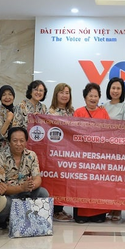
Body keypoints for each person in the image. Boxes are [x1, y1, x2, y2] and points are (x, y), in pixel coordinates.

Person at [0, 127, 49, 228]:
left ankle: (33, 220)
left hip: (26, 192)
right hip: (9, 194)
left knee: (43, 193)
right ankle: (2, 220)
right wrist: (21, 188)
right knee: (4, 203)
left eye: (21, 141)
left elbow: (37, 178)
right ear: (9, 142)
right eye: (15, 141)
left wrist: (32, 185)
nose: (18, 144)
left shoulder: (31, 155)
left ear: (26, 142)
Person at [73, 83, 110, 223]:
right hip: (82, 156)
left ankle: (98, 214)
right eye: (90, 96)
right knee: (82, 185)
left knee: (98, 185)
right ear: (85, 97)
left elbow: (109, 132)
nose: (93, 99)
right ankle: (81, 214)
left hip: (99, 156)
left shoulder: (103, 113)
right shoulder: (78, 112)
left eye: (96, 96)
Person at [102, 77, 125, 221]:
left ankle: (118, 208)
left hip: (119, 149)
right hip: (105, 149)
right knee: (107, 180)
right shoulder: (103, 107)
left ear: (122, 91)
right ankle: (109, 207)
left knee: (118, 180)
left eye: (118, 88)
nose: (115, 91)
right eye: (113, 88)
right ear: (109, 89)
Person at [48, 82, 75, 222]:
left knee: (65, 181)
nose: (64, 95)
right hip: (54, 153)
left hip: (68, 153)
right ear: (56, 94)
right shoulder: (50, 112)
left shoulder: (72, 112)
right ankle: (55, 210)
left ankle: (60, 208)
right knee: (56, 181)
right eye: (61, 92)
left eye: (67, 93)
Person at [0, 85, 16, 155]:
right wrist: (8, 120)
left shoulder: (17, 110)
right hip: (3, 150)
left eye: (10, 94)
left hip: (17, 148)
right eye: (4, 95)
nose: (7, 97)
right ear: (0, 97)